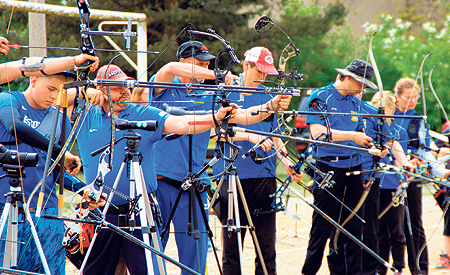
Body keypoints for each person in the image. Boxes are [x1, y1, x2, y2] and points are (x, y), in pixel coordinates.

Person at [76, 64, 238, 275]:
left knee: (149, 270)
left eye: (126, 85)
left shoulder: (142, 112)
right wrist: (85, 90)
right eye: (117, 88)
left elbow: (181, 123)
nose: (125, 91)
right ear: (101, 90)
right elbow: (62, 89)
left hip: (140, 211)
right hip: (100, 212)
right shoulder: (84, 116)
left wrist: (215, 118)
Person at [148, 42, 293, 275]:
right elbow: (171, 67)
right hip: (160, 182)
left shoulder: (209, 94)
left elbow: (242, 117)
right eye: (200, 63)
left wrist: (271, 105)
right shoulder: (162, 86)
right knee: (152, 252)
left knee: (195, 257)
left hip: (194, 184)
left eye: (208, 64)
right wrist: (218, 74)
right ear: (185, 62)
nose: (205, 68)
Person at [211, 46, 302, 275]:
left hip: (264, 178)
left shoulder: (269, 95)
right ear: (246, 64)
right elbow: (214, 131)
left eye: (265, 72)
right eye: (258, 70)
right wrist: (250, 136)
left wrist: (287, 163)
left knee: (266, 249)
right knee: (232, 250)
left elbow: (275, 136)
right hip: (232, 178)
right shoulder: (225, 90)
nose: (262, 76)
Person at [0, 72, 82, 274]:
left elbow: (54, 172)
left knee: (50, 271)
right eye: (51, 89)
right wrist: (59, 151)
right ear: (33, 80)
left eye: (60, 91)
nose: (54, 97)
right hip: (5, 206)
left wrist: (82, 189)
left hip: (46, 211)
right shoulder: (8, 100)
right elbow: (14, 127)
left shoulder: (60, 120)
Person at [301, 59, 377, 275]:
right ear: (349, 77)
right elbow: (319, 133)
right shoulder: (320, 96)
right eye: (361, 83)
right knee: (321, 229)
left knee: (353, 228)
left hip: (354, 172)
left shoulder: (356, 103)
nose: (363, 88)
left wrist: (374, 144)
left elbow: (369, 126)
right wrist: (352, 136)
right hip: (328, 171)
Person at [394, 77, 450, 275]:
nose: (413, 101)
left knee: (414, 222)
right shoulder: (387, 116)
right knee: (394, 225)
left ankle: (420, 269)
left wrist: (441, 171)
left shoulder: (418, 119)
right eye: (408, 98)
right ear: (397, 96)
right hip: (390, 178)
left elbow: (426, 150)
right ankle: (395, 267)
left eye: (416, 97)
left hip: (413, 176)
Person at [372, 91, 407, 275]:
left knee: (396, 230)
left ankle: (399, 266)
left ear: (391, 109)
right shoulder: (371, 129)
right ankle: (380, 267)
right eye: (374, 105)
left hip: (394, 185)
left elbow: (402, 158)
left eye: (381, 106)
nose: (376, 110)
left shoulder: (399, 132)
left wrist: (403, 176)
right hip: (376, 185)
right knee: (378, 230)